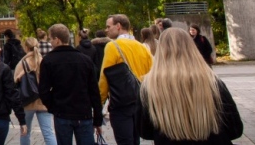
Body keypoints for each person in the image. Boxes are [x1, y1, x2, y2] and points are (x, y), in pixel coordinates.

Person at [138, 28, 243, 144]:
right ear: (192, 48)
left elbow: (145, 132)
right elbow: (235, 129)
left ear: (160, 51)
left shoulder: (148, 87)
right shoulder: (213, 82)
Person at [38, 24, 103, 145]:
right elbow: (94, 91)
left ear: (57, 39)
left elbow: (43, 90)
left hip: (62, 112)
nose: (50, 42)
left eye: (51, 39)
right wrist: (98, 119)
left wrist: (53, 107)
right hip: (83, 113)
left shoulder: (48, 61)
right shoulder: (85, 60)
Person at [99, 14, 153, 145]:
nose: (106, 30)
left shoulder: (112, 46)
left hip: (121, 103)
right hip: (140, 102)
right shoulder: (142, 47)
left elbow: (104, 78)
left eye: (108, 26)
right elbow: (151, 74)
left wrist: (99, 102)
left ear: (118, 26)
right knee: (136, 140)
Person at [14, 37, 57, 145]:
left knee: (25, 132)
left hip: (27, 101)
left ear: (26, 47)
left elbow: (14, 81)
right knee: (48, 133)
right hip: (43, 102)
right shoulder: (44, 61)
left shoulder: (22, 63)